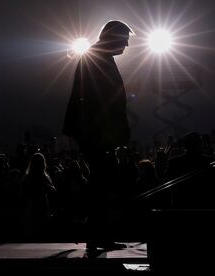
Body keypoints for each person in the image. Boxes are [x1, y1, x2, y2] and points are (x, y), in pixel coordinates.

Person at [63, 20, 134, 253]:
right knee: (101, 184)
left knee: (101, 183)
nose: (126, 45)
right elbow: (95, 101)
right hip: (97, 133)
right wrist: (104, 134)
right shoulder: (97, 58)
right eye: (124, 40)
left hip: (97, 133)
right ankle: (93, 233)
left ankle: (96, 235)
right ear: (113, 37)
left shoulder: (98, 57)